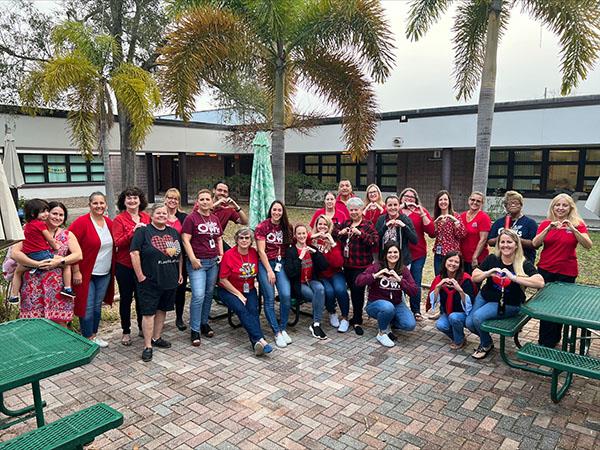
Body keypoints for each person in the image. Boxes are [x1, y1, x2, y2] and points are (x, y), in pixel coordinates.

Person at [467, 229, 544, 359]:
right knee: (469, 323)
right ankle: (487, 339)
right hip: (486, 296)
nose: (505, 245)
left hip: (509, 303)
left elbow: (540, 282)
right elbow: (474, 277)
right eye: (502, 242)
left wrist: (513, 278)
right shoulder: (492, 258)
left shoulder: (522, 262)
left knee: (477, 318)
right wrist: (488, 273)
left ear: (516, 244)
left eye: (509, 242)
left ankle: (485, 344)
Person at [532, 193, 592, 348]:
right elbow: (535, 243)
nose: (560, 208)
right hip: (546, 269)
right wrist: (548, 229)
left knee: (560, 308)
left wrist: (572, 228)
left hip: (567, 272)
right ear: (553, 207)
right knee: (545, 307)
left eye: (564, 205)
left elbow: (588, 245)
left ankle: (555, 339)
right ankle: (545, 342)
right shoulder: (546, 223)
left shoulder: (578, 224)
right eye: (557, 205)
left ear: (570, 207)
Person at [11, 202, 82, 325]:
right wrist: (35, 264)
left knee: (60, 323)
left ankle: (61, 345)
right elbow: (15, 253)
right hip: (33, 287)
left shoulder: (67, 235)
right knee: (32, 324)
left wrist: (60, 261)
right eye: (54, 213)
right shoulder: (31, 230)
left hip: (58, 288)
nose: (57, 217)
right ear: (47, 213)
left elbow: (78, 255)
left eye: (61, 215)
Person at [131, 203, 183, 362]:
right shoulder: (143, 232)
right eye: (158, 213)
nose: (162, 215)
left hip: (170, 279)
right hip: (149, 281)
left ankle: (156, 337)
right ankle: (147, 345)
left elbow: (179, 254)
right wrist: (140, 276)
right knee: (148, 313)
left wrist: (179, 273)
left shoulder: (173, 232)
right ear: (151, 216)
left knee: (162, 310)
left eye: (164, 213)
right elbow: (134, 253)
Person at [69, 192, 115, 347]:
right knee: (86, 306)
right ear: (89, 205)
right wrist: (76, 270)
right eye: (95, 203)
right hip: (86, 273)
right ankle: (87, 337)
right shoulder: (81, 223)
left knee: (96, 306)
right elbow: (70, 248)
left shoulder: (109, 223)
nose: (99, 206)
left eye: (102, 203)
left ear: (106, 205)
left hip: (104, 273)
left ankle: (94, 335)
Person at [218, 227, 273, 356]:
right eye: (241, 238)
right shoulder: (229, 255)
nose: (244, 240)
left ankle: (256, 343)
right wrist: (238, 294)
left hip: (249, 289)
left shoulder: (254, 253)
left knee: (253, 310)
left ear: (251, 240)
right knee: (242, 309)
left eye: (247, 238)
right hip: (229, 290)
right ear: (236, 240)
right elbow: (223, 279)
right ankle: (261, 340)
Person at [9, 198, 72, 303]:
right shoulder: (40, 225)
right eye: (43, 211)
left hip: (28, 256)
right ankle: (67, 288)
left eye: (47, 210)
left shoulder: (27, 226)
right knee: (65, 263)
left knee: (18, 272)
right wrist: (56, 246)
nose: (46, 214)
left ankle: (14, 295)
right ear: (34, 214)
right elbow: (50, 239)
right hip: (41, 255)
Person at [182, 189, 224, 346]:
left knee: (208, 293)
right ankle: (194, 329)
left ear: (212, 202)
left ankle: (204, 323)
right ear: (197, 202)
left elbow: (219, 237)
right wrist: (192, 258)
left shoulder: (214, 218)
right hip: (198, 263)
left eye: (208, 199)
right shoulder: (191, 218)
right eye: (202, 199)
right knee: (198, 295)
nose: (205, 202)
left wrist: (221, 254)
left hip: (213, 262)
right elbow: (185, 239)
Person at [355, 242, 418, 347]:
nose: (392, 255)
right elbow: (358, 281)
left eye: (395, 252)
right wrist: (375, 275)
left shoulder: (403, 270)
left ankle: (386, 320)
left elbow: (414, 291)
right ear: (385, 254)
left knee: (409, 325)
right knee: (387, 307)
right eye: (389, 252)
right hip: (375, 304)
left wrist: (399, 280)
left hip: (397, 304)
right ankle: (382, 333)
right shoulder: (376, 267)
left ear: (399, 254)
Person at [112, 186, 150, 346]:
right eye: (129, 198)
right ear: (124, 201)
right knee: (126, 299)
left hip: (144, 265)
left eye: (135, 197)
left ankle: (143, 327)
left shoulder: (146, 217)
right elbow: (118, 242)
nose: (132, 200)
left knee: (143, 298)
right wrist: (133, 231)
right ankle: (126, 331)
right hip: (125, 265)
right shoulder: (119, 219)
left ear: (140, 200)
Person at [337, 197, 379, 335]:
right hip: (347, 265)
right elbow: (335, 235)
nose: (354, 212)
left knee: (357, 292)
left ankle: (357, 319)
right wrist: (340, 233)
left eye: (356, 209)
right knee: (348, 291)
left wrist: (360, 234)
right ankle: (349, 316)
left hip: (362, 266)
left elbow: (374, 241)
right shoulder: (346, 223)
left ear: (361, 210)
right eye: (351, 209)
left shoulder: (367, 224)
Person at [255, 200, 293, 348]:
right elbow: (260, 251)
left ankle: (283, 328)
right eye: (274, 210)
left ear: (283, 212)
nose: (276, 212)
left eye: (279, 210)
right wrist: (269, 271)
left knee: (285, 294)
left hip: (281, 263)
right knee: (269, 298)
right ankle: (276, 332)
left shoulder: (287, 227)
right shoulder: (262, 226)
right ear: (270, 210)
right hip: (266, 264)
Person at [284, 224, 329, 340]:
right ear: (295, 235)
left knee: (320, 289)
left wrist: (316, 253)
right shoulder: (291, 251)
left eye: (304, 233)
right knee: (316, 296)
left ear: (307, 234)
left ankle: (316, 324)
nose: (301, 236)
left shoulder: (311, 248)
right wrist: (300, 258)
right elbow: (291, 273)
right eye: (299, 233)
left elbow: (324, 266)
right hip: (299, 283)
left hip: (311, 280)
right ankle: (317, 322)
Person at [310, 215, 351, 333]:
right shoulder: (311, 240)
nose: (322, 227)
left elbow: (338, 263)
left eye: (325, 225)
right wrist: (314, 236)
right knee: (329, 291)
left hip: (335, 272)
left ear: (329, 227)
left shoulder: (334, 241)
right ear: (316, 226)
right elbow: (297, 239)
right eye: (320, 224)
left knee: (340, 289)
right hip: (321, 275)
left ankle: (344, 317)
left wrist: (332, 243)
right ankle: (332, 311)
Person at [399, 187, 434, 321]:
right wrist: (400, 206)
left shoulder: (421, 211)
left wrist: (422, 214)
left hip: (418, 253)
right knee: (400, 280)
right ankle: (400, 306)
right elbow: (384, 216)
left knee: (415, 281)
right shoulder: (397, 209)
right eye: (405, 196)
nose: (408, 199)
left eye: (411, 197)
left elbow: (431, 232)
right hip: (400, 254)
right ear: (401, 197)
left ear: (416, 199)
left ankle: (416, 310)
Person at [429, 252, 475, 350]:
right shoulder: (440, 278)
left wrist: (460, 290)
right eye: (450, 260)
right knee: (440, 325)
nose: (453, 264)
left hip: (462, 314)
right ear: (445, 261)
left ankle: (458, 341)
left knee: (454, 317)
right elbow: (434, 301)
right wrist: (438, 286)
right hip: (447, 312)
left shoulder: (465, 279)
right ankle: (459, 337)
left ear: (459, 265)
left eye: (456, 262)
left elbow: (470, 304)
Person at [488, 191, 538, 263]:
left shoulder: (530, 223)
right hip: (502, 262)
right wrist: (502, 237)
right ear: (505, 206)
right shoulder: (499, 222)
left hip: (524, 261)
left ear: (521, 205)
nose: (513, 205)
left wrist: (515, 238)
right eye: (509, 203)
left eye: (516, 203)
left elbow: (535, 244)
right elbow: (490, 242)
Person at [164, 187, 189, 331]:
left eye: (176, 199)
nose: (172, 201)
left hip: (179, 259)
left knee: (180, 289)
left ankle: (179, 318)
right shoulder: (159, 214)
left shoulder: (183, 217)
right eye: (170, 198)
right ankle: (160, 317)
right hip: (161, 259)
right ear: (165, 199)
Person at [375, 194, 417, 265]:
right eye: (390, 205)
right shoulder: (381, 219)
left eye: (395, 205)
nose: (393, 207)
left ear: (399, 206)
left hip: (402, 261)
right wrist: (385, 227)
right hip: (384, 261)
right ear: (386, 206)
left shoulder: (405, 219)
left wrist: (404, 226)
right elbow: (375, 239)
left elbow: (414, 240)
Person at [432, 190, 466, 275]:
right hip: (439, 253)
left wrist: (455, 221)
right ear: (437, 202)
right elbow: (432, 235)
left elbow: (462, 234)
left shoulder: (456, 216)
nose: (443, 202)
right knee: (438, 276)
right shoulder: (436, 217)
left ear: (449, 202)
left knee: (450, 277)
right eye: (440, 200)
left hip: (451, 254)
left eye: (445, 199)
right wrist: (435, 224)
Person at [460, 191, 491, 274]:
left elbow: (483, 239)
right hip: (462, 257)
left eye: (478, 201)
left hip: (477, 259)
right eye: (472, 200)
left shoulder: (484, 217)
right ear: (468, 200)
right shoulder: (462, 216)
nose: (475, 202)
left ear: (482, 203)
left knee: (473, 284)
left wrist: (474, 257)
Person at [212, 181, 249, 249]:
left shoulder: (228, 208)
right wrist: (216, 204)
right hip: (200, 240)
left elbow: (244, 222)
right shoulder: (204, 202)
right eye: (219, 190)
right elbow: (198, 215)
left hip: (217, 240)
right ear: (214, 190)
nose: (222, 193)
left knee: (232, 256)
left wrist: (236, 207)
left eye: (225, 191)